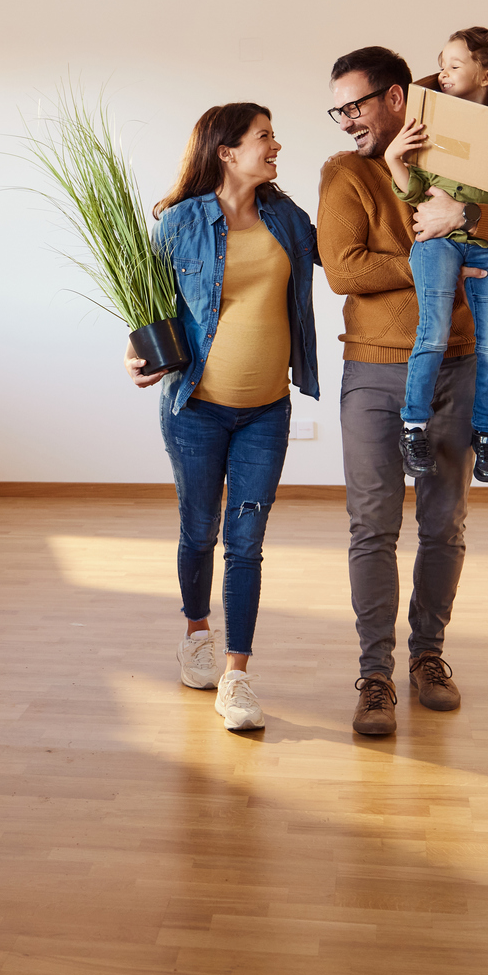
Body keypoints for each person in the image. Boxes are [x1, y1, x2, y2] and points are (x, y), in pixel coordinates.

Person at [318, 47, 488, 736]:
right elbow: (343, 268)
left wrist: (467, 220)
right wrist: (437, 263)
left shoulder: (465, 157)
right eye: (339, 109)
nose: (346, 121)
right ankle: (374, 674)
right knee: (373, 527)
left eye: (355, 105)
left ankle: (429, 657)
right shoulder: (345, 175)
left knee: (444, 524)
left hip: (457, 367)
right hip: (373, 372)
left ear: (396, 99)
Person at [124, 103, 320, 733]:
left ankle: (236, 674)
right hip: (194, 409)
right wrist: (135, 355)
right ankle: (196, 633)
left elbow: (348, 262)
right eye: (265, 136)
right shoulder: (179, 223)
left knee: (247, 543)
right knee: (197, 530)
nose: (276, 145)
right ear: (228, 150)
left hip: (266, 410)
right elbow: (146, 307)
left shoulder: (287, 220)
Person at [383, 27, 488, 485]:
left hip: (486, 249)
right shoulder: (433, 119)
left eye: (454, 65)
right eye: (442, 62)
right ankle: (413, 427)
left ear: (486, 75)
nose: (443, 72)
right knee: (432, 331)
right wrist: (396, 159)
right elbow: (415, 193)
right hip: (435, 242)